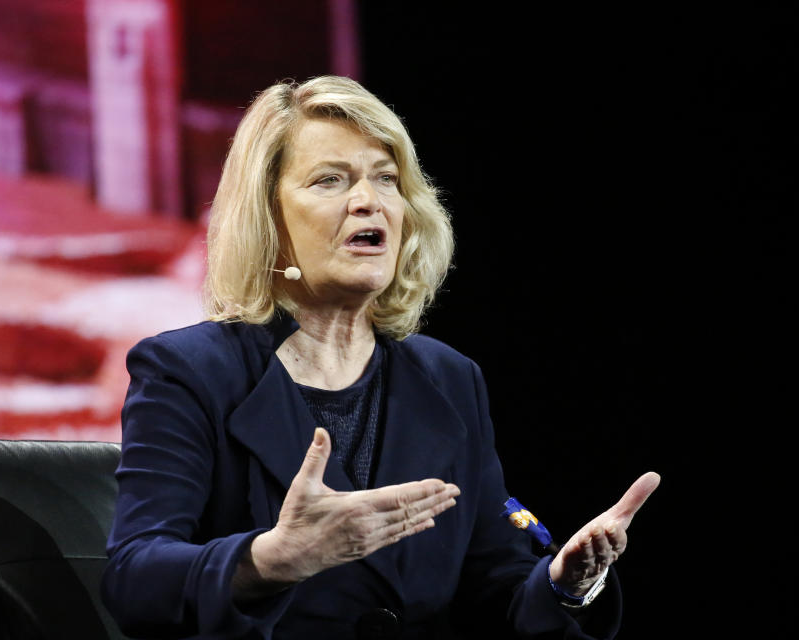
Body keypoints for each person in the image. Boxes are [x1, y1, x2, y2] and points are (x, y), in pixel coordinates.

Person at [101, 75, 660, 640]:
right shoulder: (189, 371)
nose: (369, 201)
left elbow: (497, 585)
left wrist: (564, 583)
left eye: (386, 179)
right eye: (330, 180)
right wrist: (269, 559)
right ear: (268, 219)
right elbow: (134, 577)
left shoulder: (449, 378)